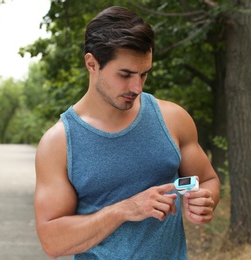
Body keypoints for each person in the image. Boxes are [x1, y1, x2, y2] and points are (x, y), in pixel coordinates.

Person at [34, 6, 220, 259]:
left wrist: (205, 201)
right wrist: (124, 210)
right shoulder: (59, 142)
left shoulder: (173, 119)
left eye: (144, 74)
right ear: (92, 63)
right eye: (125, 74)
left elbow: (208, 180)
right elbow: (53, 241)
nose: (137, 87)